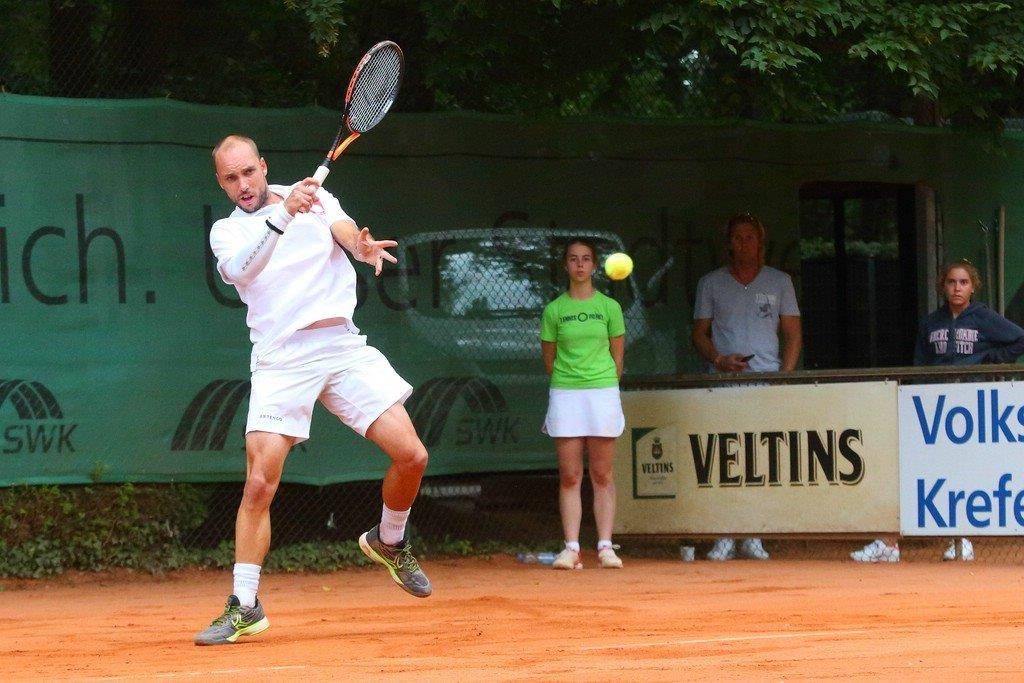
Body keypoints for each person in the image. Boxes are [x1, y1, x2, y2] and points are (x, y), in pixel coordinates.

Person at [194, 135, 432, 646]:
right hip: (281, 359)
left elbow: (345, 232)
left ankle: (389, 540)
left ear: (263, 166)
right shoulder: (226, 232)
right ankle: (245, 605)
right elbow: (241, 270)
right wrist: (283, 216)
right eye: (231, 178)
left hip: (341, 347)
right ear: (221, 183)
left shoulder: (313, 195)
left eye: (248, 172)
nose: (243, 185)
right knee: (259, 483)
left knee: (412, 456)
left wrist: (361, 246)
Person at [852, 259, 1024, 563]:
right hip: (934, 406)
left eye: (963, 282)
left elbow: (1019, 339)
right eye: (951, 282)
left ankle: (963, 539)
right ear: (942, 286)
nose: (957, 288)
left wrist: (989, 360)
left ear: (973, 287)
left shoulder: (983, 317)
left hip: (970, 406)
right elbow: (920, 363)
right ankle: (889, 543)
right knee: (915, 467)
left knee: (963, 470)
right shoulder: (931, 322)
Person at [692, 213, 802, 561]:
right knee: (723, 457)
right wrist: (719, 359)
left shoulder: (780, 281)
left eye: (750, 237)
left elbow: (793, 334)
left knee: (760, 458)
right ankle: (724, 535)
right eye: (737, 238)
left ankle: (754, 534)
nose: (744, 244)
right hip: (723, 382)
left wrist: (783, 378)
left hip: (765, 380)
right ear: (729, 243)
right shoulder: (711, 283)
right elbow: (699, 333)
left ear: (760, 243)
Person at [540, 239, 626, 570]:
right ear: (566, 266)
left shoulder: (610, 308)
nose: (579, 265)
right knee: (570, 475)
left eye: (586, 259)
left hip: (602, 392)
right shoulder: (554, 310)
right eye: (574, 259)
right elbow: (549, 360)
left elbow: (618, 357)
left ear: (594, 266)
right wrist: (572, 380)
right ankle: (572, 548)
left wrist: (601, 382)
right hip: (566, 394)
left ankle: (605, 547)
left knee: (602, 473)